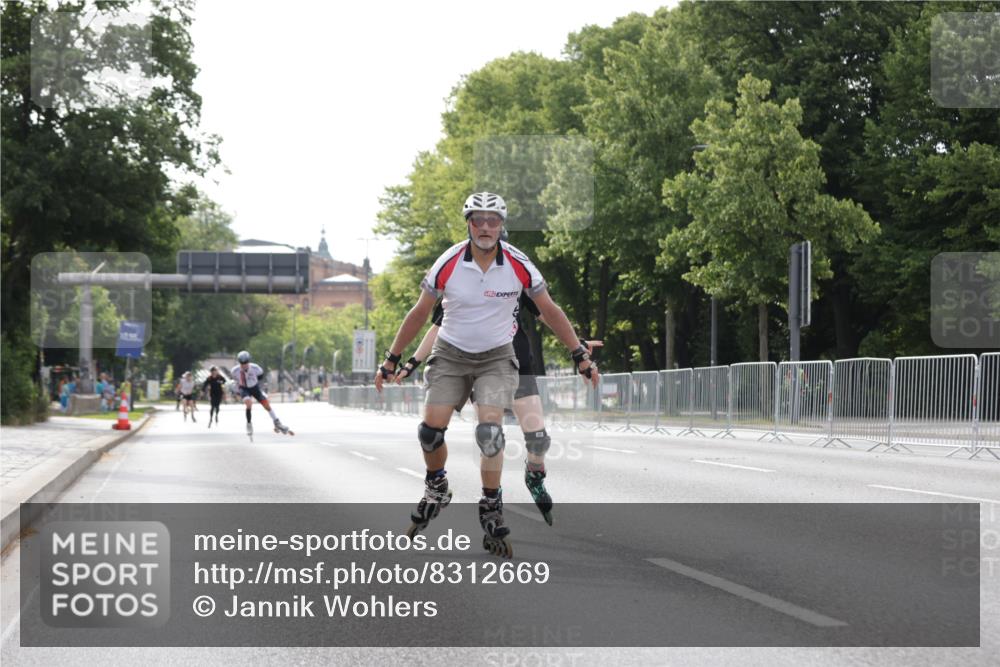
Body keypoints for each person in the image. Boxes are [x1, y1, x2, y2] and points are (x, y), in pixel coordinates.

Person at [375, 192, 599, 557]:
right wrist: (392, 359)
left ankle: (491, 505)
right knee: (430, 433)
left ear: (501, 226)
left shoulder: (518, 264)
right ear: (468, 223)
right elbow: (421, 314)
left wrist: (579, 355)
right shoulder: (447, 263)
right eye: (477, 219)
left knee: (490, 431)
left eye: (492, 220)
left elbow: (550, 311)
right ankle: (437, 485)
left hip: (497, 356)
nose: (485, 227)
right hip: (450, 353)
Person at [395, 291, 601, 525]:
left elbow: (549, 314)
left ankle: (534, 475)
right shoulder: (461, 285)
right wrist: (413, 361)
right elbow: (438, 327)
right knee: (491, 436)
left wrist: (577, 345)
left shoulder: (514, 278)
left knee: (539, 439)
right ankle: (493, 497)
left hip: (519, 365)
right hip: (484, 367)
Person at [232, 350, 293, 438]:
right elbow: (235, 380)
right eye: (242, 363)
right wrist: (237, 389)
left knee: (266, 405)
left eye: (245, 363)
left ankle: (277, 422)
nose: (244, 365)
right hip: (244, 388)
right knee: (248, 404)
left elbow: (260, 377)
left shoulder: (256, 368)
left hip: (255, 388)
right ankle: (249, 424)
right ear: (239, 362)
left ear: (249, 361)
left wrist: (255, 383)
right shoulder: (235, 370)